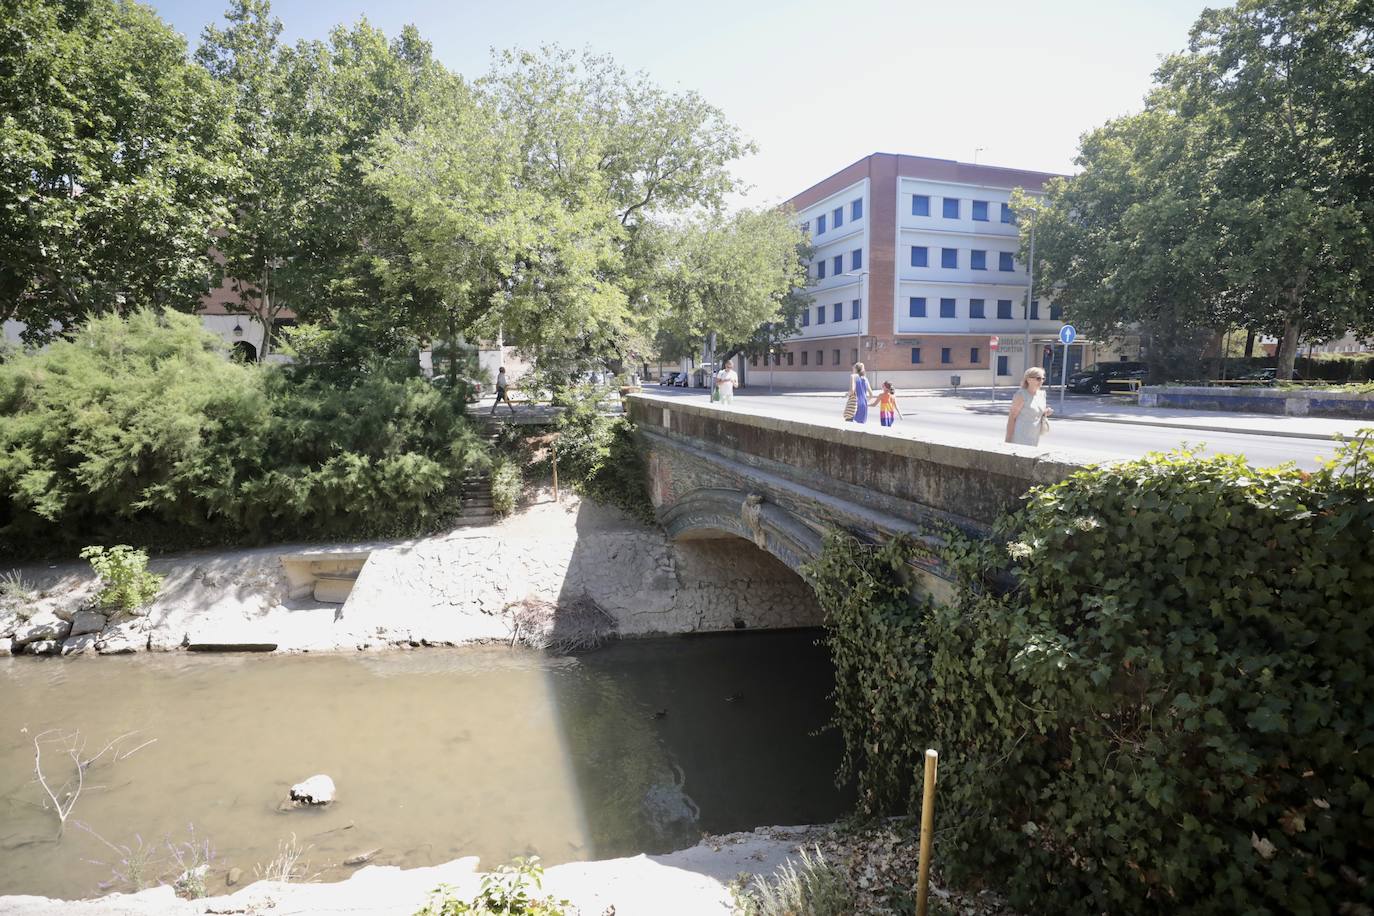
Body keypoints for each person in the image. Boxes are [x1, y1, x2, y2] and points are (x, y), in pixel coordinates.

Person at [1005, 367, 1052, 445]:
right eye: (1038, 378)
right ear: (1028, 379)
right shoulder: (1021, 395)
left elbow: (1037, 411)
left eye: (1043, 379)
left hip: (1035, 435)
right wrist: (1008, 439)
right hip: (1021, 436)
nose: (1041, 381)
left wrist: (1046, 412)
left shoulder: (1042, 394)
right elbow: (1012, 418)